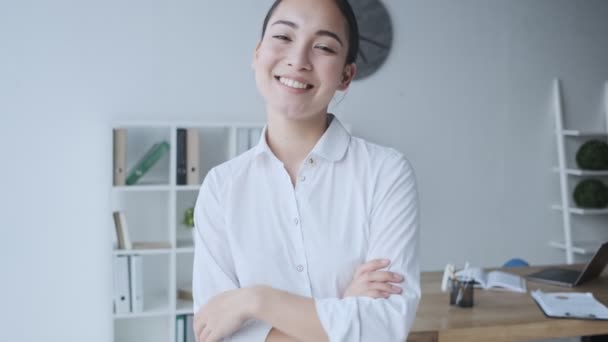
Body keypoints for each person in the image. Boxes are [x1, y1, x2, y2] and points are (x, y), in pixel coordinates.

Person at [192, 0, 420, 341]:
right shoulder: (221, 188)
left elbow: (384, 328)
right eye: (283, 37)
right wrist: (345, 309)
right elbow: (216, 332)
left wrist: (255, 299)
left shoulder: (386, 173)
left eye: (324, 47)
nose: (298, 60)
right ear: (257, 54)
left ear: (346, 75)